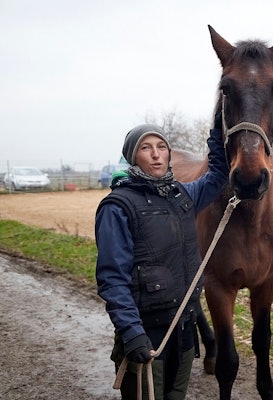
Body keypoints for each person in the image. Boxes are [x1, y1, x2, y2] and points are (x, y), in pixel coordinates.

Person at [95, 117, 228, 400]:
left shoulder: (182, 196)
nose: (156, 154)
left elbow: (218, 176)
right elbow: (112, 279)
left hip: (183, 332)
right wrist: (131, 332)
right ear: (133, 156)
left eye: (161, 146)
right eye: (146, 148)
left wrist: (218, 130)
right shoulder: (117, 207)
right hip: (146, 335)